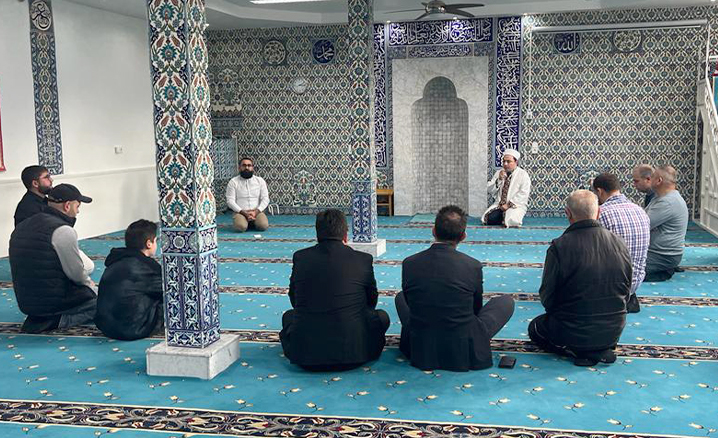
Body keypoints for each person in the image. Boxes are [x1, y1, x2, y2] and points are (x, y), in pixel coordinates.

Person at [396, 205, 515, 371]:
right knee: (506, 302)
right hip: (461, 342)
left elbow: (410, 302)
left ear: (433, 231)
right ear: (463, 236)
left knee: (400, 297)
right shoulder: (472, 265)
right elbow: (475, 308)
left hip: (423, 342)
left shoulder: (410, 263)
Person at [528, 190, 632, 366]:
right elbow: (626, 291)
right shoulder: (620, 243)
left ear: (568, 213)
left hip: (571, 331)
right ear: (598, 212)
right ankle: (598, 349)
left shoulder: (560, 246)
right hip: (612, 331)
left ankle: (578, 350)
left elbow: (547, 296)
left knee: (535, 328)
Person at [280, 209, 390, 371]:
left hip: (307, 356)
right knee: (382, 317)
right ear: (345, 234)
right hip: (356, 354)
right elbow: (371, 301)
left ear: (317, 234)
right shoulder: (363, 259)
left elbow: (294, 300)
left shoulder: (301, 257)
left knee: (288, 316)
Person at [9, 184, 97, 333]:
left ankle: (42, 318)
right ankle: (59, 320)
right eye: (77, 206)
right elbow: (76, 275)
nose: (78, 211)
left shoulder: (23, 225)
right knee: (107, 301)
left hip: (26, 302)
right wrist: (92, 288)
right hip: (53, 303)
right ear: (67, 206)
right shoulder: (63, 231)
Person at [95, 220, 164, 341]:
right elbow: (167, 291)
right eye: (155, 240)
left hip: (105, 326)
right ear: (149, 243)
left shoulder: (116, 260)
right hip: (132, 328)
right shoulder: (145, 267)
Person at [592, 173, 650, 313]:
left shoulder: (602, 213)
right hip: (634, 283)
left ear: (599, 191)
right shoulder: (641, 211)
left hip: (610, 285)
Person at [644, 165, 689, 282]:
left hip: (663, 256)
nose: (649, 179)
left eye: (652, 177)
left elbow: (642, 225)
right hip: (657, 252)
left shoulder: (668, 202)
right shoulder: (660, 198)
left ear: (659, 181)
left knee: (620, 269)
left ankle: (664, 271)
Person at [482, 149, 531, 227]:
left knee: (512, 220)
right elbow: (490, 189)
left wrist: (508, 205)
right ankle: (502, 217)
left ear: (516, 162)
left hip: (515, 205)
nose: (505, 164)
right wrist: (499, 179)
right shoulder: (499, 173)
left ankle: (504, 217)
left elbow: (523, 193)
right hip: (500, 205)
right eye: (504, 161)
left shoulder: (523, 174)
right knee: (487, 219)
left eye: (508, 161)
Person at [226, 157, 269, 232]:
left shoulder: (260, 181)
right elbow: (230, 201)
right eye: (244, 165)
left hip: (257, 211)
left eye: (249, 165)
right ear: (239, 168)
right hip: (240, 212)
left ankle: (252, 221)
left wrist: (256, 212)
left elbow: (265, 199)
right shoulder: (233, 182)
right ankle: (246, 221)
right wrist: (243, 212)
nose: (247, 168)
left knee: (263, 226)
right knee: (240, 227)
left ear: (252, 168)